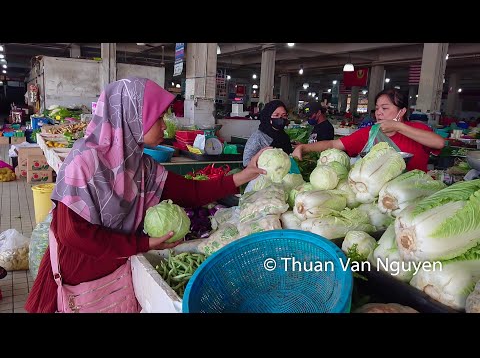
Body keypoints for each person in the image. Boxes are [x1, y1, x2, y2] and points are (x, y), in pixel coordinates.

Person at [25, 77, 266, 313]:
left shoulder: (141, 165)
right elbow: (72, 234)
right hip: (80, 278)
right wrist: (143, 243)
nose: (165, 125)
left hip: (118, 271)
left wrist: (246, 175)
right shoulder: (84, 161)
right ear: (130, 115)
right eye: (159, 117)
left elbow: (191, 191)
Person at [293, 88, 445, 172]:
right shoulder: (370, 133)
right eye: (377, 108)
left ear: (402, 111)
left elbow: (439, 143)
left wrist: (398, 126)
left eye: (385, 108)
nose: (379, 112)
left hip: (414, 194)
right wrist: (305, 147)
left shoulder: (417, 130)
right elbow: (333, 145)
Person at [242, 99, 292, 167]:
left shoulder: (285, 137)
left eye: (284, 115)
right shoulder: (258, 137)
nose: (281, 118)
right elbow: (246, 162)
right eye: (276, 115)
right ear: (268, 117)